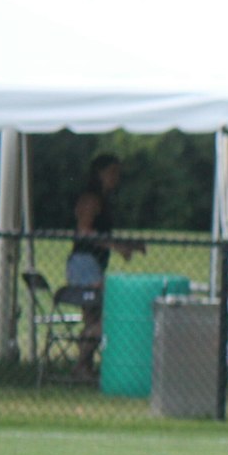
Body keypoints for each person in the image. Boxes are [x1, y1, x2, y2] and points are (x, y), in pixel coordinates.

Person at [67, 154, 145, 380]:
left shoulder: (103, 199)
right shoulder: (90, 199)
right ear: (99, 173)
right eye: (112, 172)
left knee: (95, 317)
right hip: (84, 264)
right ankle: (81, 364)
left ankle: (85, 368)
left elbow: (103, 235)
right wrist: (117, 247)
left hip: (95, 263)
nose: (116, 178)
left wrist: (127, 245)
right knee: (108, 315)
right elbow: (85, 231)